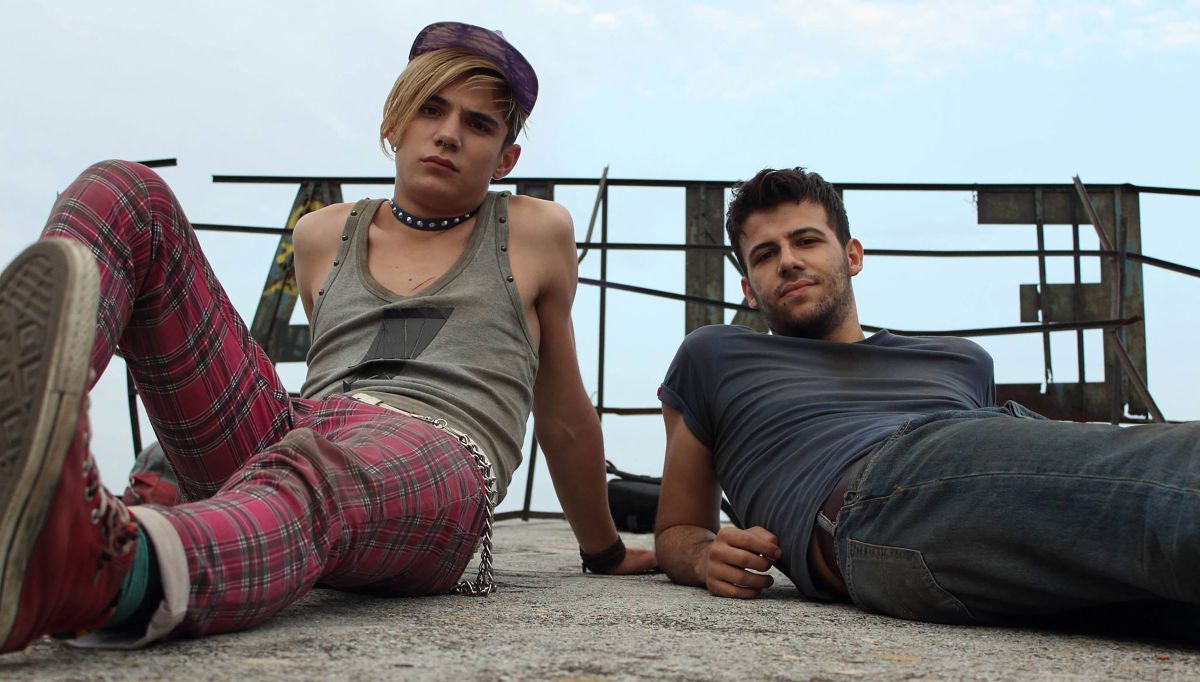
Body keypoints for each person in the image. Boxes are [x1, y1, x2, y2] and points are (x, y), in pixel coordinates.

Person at [0, 20, 654, 654]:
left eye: (478, 124)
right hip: (301, 425)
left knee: (316, 474)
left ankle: (103, 571)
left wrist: (604, 550)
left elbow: (562, 414)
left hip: (439, 451)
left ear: (506, 158)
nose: (449, 134)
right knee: (125, 192)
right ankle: (33, 462)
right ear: (395, 122)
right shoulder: (321, 234)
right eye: (431, 109)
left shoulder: (535, 231)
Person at [653, 166, 1200, 634]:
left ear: (852, 255)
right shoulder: (715, 354)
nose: (789, 261)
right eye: (765, 254)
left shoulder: (962, 360)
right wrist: (704, 557)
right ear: (748, 289)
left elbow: (1017, 471)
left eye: (807, 241)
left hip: (964, 501)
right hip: (868, 498)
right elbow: (677, 529)